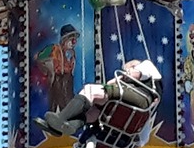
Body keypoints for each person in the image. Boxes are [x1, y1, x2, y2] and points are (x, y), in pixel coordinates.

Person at [35, 59, 163, 138]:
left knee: (90, 90)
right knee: (95, 110)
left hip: (140, 96)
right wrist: (106, 87)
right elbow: (111, 84)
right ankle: (67, 126)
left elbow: (132, 75)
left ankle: (61, 118)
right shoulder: (134, 80)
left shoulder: (145, 65)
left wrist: (123, 75)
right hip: (132, 101)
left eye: (128, 68)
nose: (126, 71)